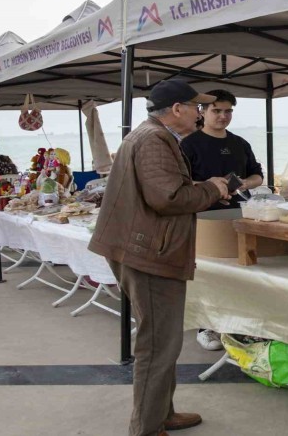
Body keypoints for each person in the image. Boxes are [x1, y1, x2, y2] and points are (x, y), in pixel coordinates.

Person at [88, 79, 230, 436]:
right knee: (158, 343)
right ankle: (147, 427)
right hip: (149, 252)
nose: (201, 113)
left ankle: (162, 412)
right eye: (197, 107)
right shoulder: (153, 139)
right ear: (178, 109)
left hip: (143, 248)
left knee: (164, 340)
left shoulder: (151, 135)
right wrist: (213, 188)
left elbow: (163, 191)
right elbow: (167, 198)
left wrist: (203, 187)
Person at [180, 89, 264, 351]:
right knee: (206, 272)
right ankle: (206, 326)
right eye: (217, 110)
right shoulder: (188, 144)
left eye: (228, 111)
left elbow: (258, 177)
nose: (223, 116)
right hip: (202, 215)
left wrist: (241, 185)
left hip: (237, 214)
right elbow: (179, 182)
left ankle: (239, 324)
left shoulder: (240, 143)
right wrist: (211, 187)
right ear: (203, 112)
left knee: (239, 270)